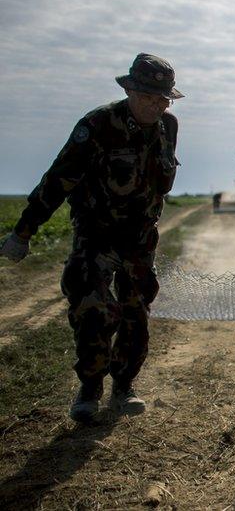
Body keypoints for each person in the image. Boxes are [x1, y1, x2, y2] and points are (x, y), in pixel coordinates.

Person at [0, 53, 183, 421]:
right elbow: (58, 179)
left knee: (136, 316)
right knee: (94, 310)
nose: (157, 105)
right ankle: (90, 388)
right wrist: (24, 231)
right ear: (129, 90)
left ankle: (124, 386)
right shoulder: (98, 125)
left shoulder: (168, 127)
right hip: (96, 236)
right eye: (148, 96)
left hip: (139, 240)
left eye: (163, 99)